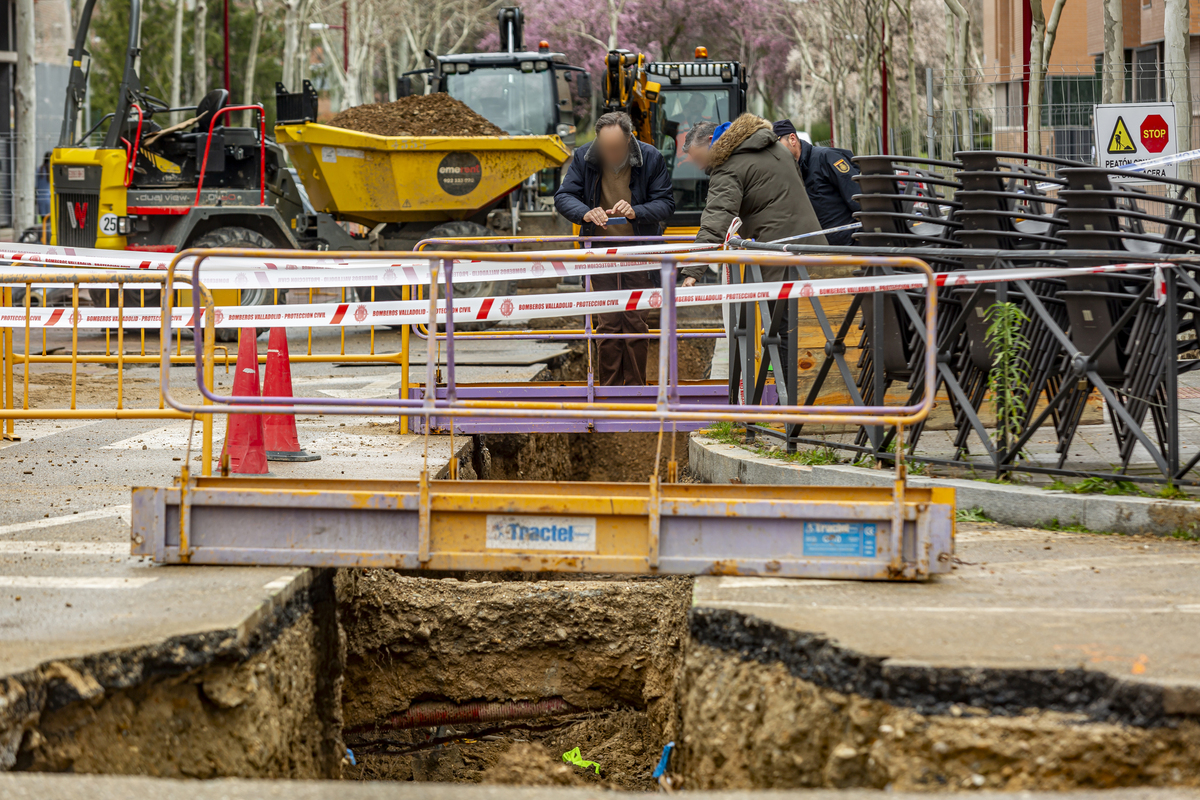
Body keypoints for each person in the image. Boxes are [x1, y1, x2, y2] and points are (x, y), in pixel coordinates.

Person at [554, 111, 675, 386]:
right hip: (601, 253)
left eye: (617, 148)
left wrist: (637, 211)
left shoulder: (651, 157)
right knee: (607, 324)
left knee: (635, 323)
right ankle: (608, 391)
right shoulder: (585, 157)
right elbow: (563, 196)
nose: (611, 153)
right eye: (606, 148)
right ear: (597, 142)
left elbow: (666, 203)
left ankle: (635, 390)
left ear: (629, 140)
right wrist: (585, 213)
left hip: (639, 252)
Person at [773, 119, 860, 246]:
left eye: (776, 146)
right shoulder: (788, 173)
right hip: (820, 251)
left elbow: (858, 198)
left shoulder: (826, 157)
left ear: (792, 139)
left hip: (850, 247)